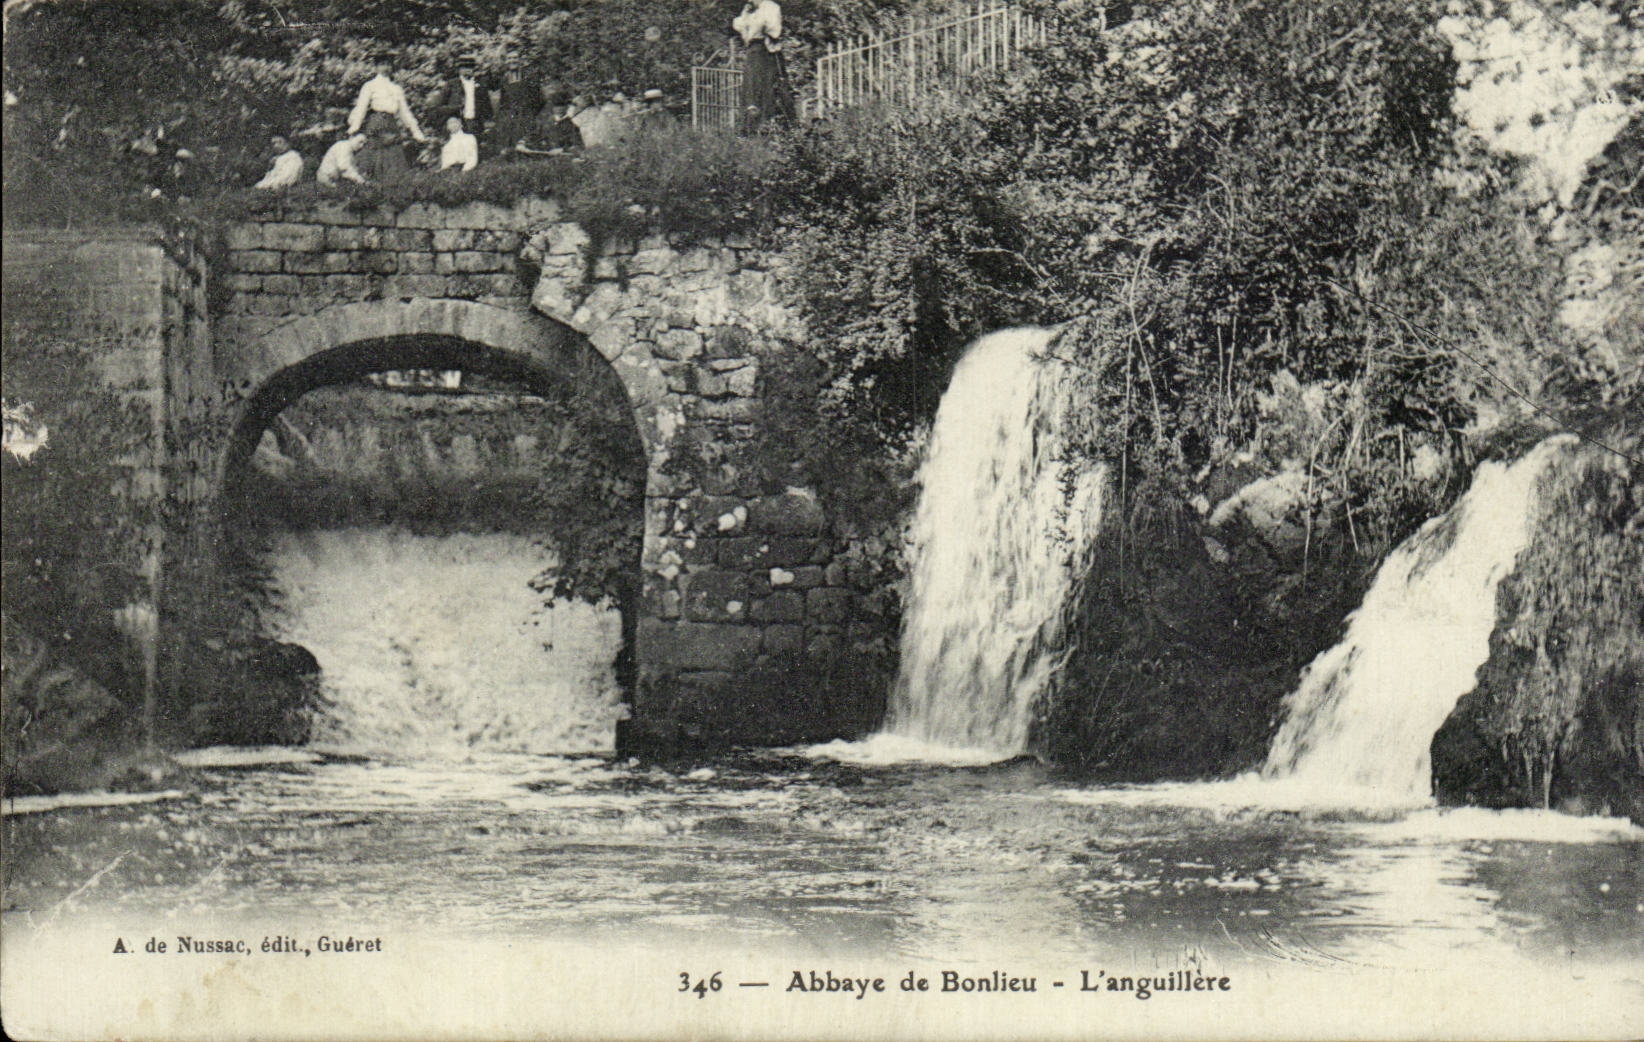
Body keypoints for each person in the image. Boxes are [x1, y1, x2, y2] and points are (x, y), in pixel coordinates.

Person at [347, 57, 427, 177]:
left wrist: (416, 131)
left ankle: (391, 186)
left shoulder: (396, 88)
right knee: (375, 154)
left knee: (393, 154)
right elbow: (361, 107)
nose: (385, 68)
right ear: (376, 67)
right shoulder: (370, 85)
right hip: (376, 122)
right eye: (382, 64)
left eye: (388, 65)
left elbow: (405, 112)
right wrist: (355, 126)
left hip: (391, 123)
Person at [732, 0, 795, 129]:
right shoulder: (750, 10)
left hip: (766, 52)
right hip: (752, 51)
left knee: (768, 86)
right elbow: (738, 25)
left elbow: (774, 31)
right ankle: (750, 126)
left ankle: (770, 124)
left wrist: (757, 24)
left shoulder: (771, 7)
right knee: (751, 87)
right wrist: (746, 15)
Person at [433, 58, 493, 137]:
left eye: (470, 67)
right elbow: (439, 106)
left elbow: (487, 107)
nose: (468, 69)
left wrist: (486, 124)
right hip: (457, 124)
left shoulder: (480, 85)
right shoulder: (452, 84)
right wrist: (455, 109)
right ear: (459, 69)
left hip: (475, 125)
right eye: (464, 67)